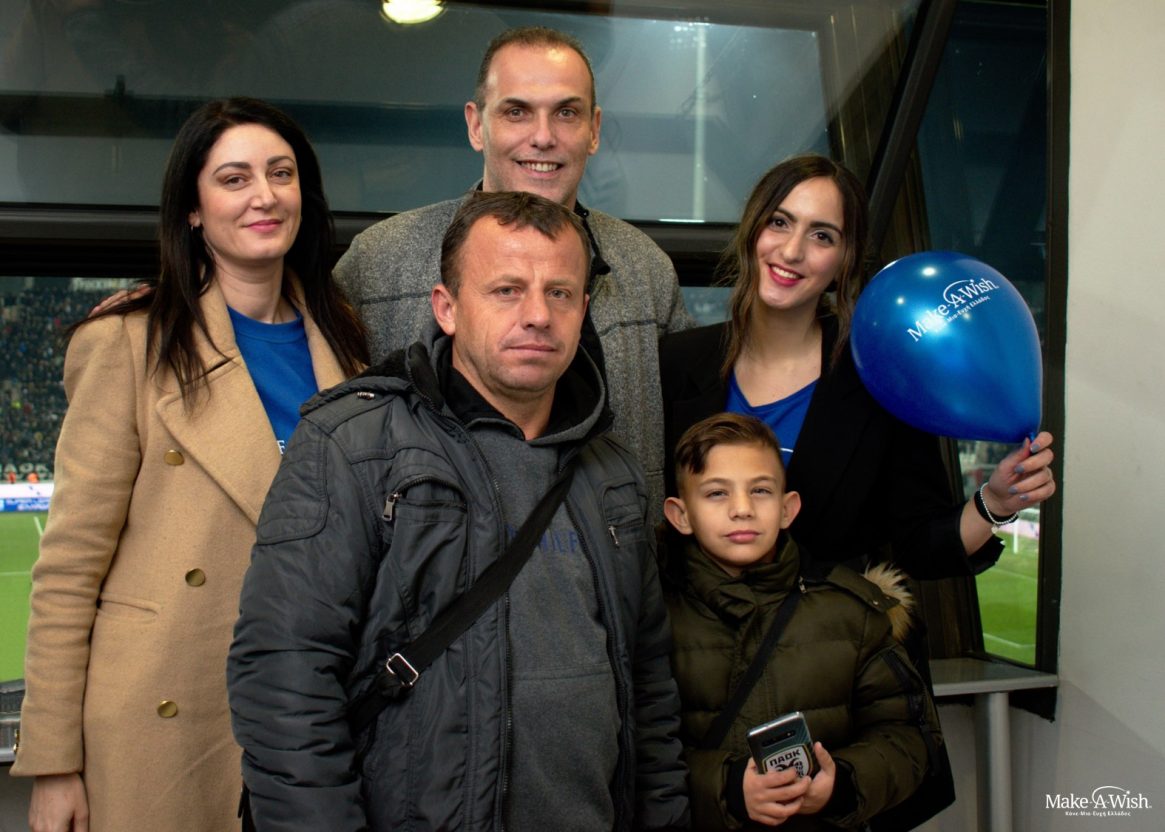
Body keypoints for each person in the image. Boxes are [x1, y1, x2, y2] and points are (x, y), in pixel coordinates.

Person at [227, 191, 688, 831]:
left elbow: (650, 692)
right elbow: (284, 683)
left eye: (559, 293)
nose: (538, 315)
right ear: (446, 307)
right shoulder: (353, 447)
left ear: (584, 310)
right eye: (506, 290)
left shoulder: (612, 473)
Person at [11, 97, 368, 832]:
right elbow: (70, 568)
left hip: (314, 717)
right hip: (162, 718)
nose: (264, 195)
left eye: (281, 174)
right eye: (234, 179)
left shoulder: (348, 342)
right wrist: (54, 763)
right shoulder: (128, 343)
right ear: (194, 211)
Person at [335, 25, 694, 516]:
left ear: (594, 129)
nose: (543, 137)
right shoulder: (379, 262)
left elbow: (691, 452)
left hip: (618, 557)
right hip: (431, 561)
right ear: (476, 125)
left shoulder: (645, 270)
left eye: (566, 113)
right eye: (516, 112)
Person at [660, 154, 1056, 582]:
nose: (791, 251)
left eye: (822, 236)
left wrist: (994, 503)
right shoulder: (677, 362)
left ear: (844, 259)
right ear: (752, 230)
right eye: (779, 222)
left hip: (823, 622)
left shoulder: (881, 375)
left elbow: (919, 546)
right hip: (691, 621)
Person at [662, 413, 943, 830]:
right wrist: (728, 787)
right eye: (717, 493)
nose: (742, 509)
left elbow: (909, 737)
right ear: (680, 515)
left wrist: (841, 784)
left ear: (787, 508)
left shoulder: (851, 613)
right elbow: (634, 751)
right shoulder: (654, 618)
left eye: (760, 490)